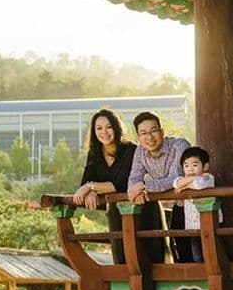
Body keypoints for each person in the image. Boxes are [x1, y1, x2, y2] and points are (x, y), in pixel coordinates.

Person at [72, 108, 161, 264]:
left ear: (116, 127)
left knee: (149, 258)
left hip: (143, 209)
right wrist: (91, 191)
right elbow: (86, 181)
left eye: (109, 127)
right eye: (99, 128)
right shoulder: (95, 153)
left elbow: (121, 184)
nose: (104, 132)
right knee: (121, 259)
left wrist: (91, 187)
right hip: (116, 212)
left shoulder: (131, 150)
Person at [126, 111, 191, 263]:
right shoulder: (140, 152)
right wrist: (137, 191)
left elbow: (176, 179)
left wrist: (144, 186)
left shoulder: (180, 145)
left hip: (196, 205)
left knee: (200, 252)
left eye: (154, 131)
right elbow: (133, 180)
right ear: (138, 137)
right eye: (143, 133)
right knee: (182, 255)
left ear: (162, 131)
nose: (149, 137)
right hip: (179, 206)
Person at [173, 146, 220, 262]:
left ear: (205, 166)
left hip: (208, 221)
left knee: (211, 251)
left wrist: (187, 186)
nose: (190, 169)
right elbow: (176, 183)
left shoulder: (208, 177)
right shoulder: (185, 178)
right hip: (192, 224)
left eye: (195, 165)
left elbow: (199, 185)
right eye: (186, 166)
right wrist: (189, 181)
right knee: (197, 254)